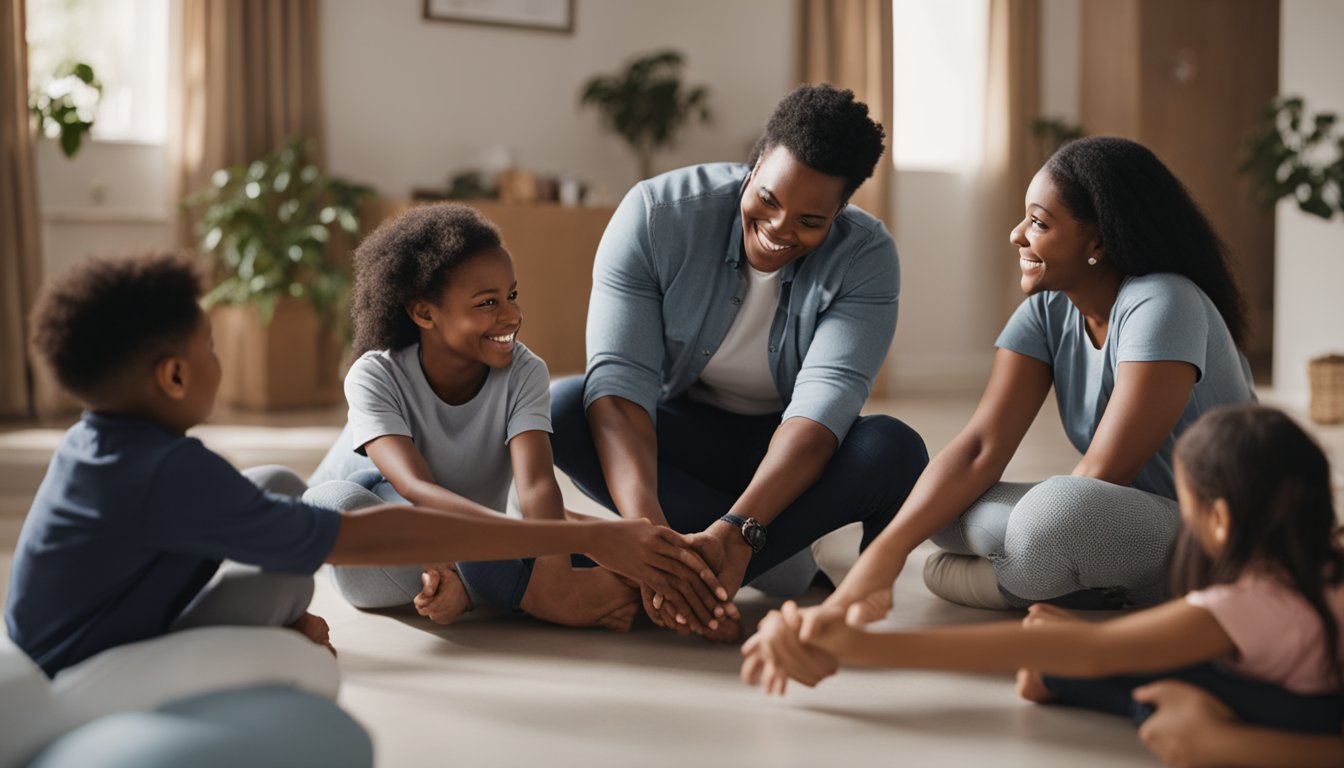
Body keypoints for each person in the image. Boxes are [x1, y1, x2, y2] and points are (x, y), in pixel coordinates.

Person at [5, 252, 725, 678]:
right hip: (89, 660)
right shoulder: (169, 471)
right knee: (317, 526)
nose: (216, 362)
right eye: (209, 349)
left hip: (78, 622)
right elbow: (382, 531)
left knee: (280, 487)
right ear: (171, 378)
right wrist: (587, 537)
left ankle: (283, 622)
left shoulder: (104, 442)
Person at [797, 136, 1258, 625]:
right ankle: (1059, 583)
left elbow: (1103, 476)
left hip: (1215, 534)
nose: (1017, 235)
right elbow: (979, 448)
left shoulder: (1164, 301)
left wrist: (1038, 533)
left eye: (1039, 223)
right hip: (1119, 517)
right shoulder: (1046, 310)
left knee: (1053, 517)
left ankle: (1045, 579)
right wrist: (884, 556)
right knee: (940, 499)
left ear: (1098, 241)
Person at [549, 83, 930, 641]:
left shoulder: (866, 258)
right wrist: (649, 539)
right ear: (752, 168)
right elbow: (621, 389)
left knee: (893, 449)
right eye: (769, 199)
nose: (779, 228)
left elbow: (818, 416)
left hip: (784, 455)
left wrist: (737, 529)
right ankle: (771, 562)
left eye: (810, 220)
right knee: (562, 405)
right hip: (677, 437)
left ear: (840, 212)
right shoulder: (656, 215)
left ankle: (742, 555)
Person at [741, 405, 1344, 752]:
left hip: (1308, 716)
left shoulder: (1251, 604)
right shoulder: (1315, 567)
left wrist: (864, 647)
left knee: (1117, 668)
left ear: (1217, 518)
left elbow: (1095, 648)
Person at [305, 203, 730, 633]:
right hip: (372, 544)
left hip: (467, 539)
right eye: (487, 303)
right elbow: (417, 490)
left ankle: (484, 587)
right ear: (424, 313)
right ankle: (501, 589)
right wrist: (575, 557)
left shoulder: (524, 371)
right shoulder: (376, 375)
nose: (510, 316)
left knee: (614, 557)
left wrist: (563, 575)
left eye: (511, 295)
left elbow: (538, 486)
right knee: (337, 507)